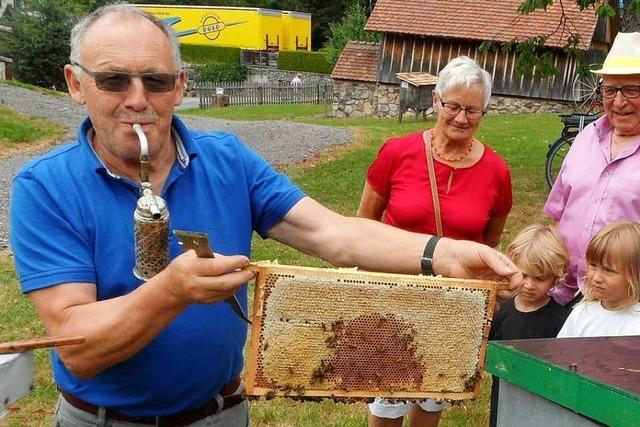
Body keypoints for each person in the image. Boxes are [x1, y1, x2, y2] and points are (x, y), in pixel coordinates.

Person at [9, 5, 521, 427]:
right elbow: (77, 346)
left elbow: (332, 232)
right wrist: (171, 290)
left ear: (181, 85)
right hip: (104, 420)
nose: (138, 99)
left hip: (223, 414)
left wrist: (446, 254)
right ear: (76, 84)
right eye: (114, 80)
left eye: (157, 80)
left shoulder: (227, 160)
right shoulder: (45, 187)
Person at [358, 56, 512, 427]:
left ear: (484, 112)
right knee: (388, 393)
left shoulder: (496, 172)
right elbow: (363, 225)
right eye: (453, 106)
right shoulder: (397, 152)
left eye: (472, 110)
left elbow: (488, 242)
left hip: (453, 305)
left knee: (432, 396)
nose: (461, 118)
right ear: (435, 102)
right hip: (395, 293)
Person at [545, 31, 640, 306]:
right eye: (610, 90)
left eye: (631, 90)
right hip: (562, 294)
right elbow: (558, 215)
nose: (618, 102)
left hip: (623, 306)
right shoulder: (587, 136)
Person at [488, 224, 570, 427]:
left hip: (541, 401)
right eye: (523, 275)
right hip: (503, 396)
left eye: (540, 278)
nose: (529, 285)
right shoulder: (500, 310)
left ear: (555, 277)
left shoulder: (560, 319)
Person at [558, 221, 640, 338]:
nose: (597, 278)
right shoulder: (581, 314)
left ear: (635, 275)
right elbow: (561, 353)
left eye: (609, 270)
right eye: (593, 265)